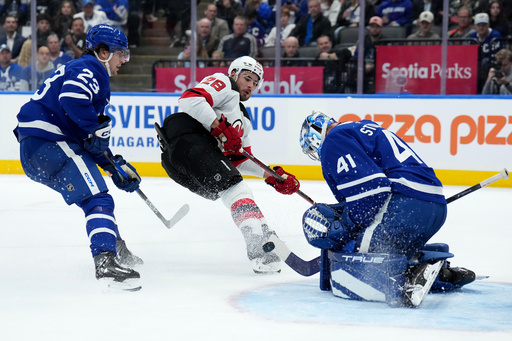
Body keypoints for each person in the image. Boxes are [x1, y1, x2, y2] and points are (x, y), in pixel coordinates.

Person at [298, 110, 476, 307]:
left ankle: (408, 279)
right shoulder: (360, 128)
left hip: (405, 206)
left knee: (359, 256)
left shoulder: (334, 139)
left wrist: (347, 225)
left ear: (314, 136)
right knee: (389, 251)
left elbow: (373, 189)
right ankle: (437, 272)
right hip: (434, 207)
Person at [13, 24, 143, 290]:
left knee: (92, 198)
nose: (124, 61)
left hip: (38, 149)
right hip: (49, 141)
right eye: (122, 54)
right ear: (104, 52)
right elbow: (72, 98)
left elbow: (85, 138)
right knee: (98, 198)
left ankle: (116, 248)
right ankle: (105, 260)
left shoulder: (82, 70)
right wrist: (94, 132)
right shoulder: (91, 68)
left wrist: (112, 165)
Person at [155, 56, 300, 274]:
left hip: (187, 162)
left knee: (230, 189)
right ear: (234, 74)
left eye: (255, 82)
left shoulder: (243, 119)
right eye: (247, 78)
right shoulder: (224, 83)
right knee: (236, 187)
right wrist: (218, 127)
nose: (251, 85)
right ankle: (257, 244)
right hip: (186, 143)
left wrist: (272, 176)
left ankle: (262, 233)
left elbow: (241, 159)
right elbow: (189, 99)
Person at [468, 13, 502, 94]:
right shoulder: (472, 36)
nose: (481, 27)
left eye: (484, 25)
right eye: (479, 25)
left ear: (488, 25)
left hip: (491, 68)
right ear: (475, 26)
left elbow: (498, 55)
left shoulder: (495, 35)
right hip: (476, 69)